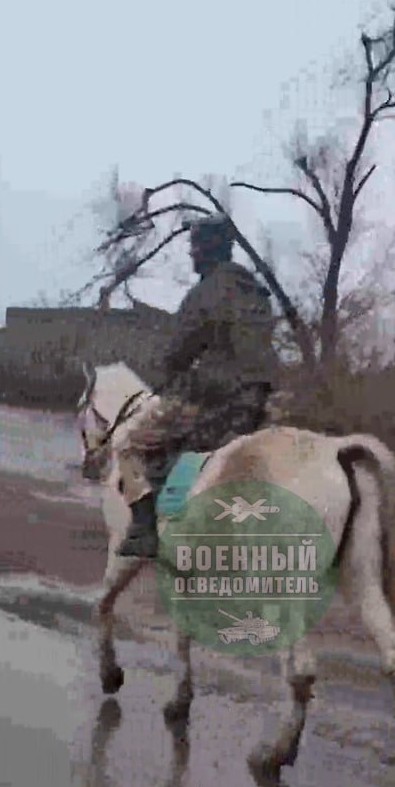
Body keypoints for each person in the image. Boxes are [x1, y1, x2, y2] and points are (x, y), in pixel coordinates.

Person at [113, 213, 278, 558]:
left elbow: (177, 354)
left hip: (218, 400)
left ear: (209, 249)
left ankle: (144, 530)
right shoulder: (259, 294)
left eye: (195, 247)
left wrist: (167, 378)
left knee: (127, 441)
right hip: (262, 401)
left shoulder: (206, 293)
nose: (191, 254)